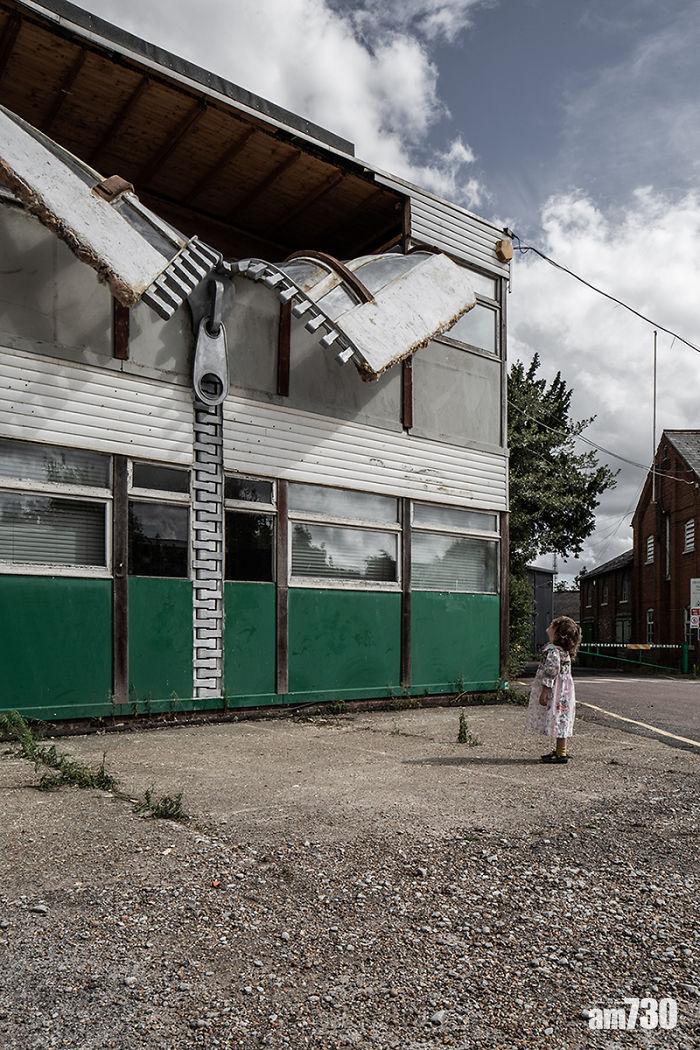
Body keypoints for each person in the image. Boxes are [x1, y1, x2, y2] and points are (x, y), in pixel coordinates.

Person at [527, 615, 581, 764]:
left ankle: (561, 753)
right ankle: (560, 750)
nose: (549, 626)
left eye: (552, 625)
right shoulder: (563, 651)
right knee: (562, 718)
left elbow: (551, 671)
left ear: (558, 633)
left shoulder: (553, 651)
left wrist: (545, 691)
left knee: (558, 716)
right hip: (564, 691)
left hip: (556, 692)